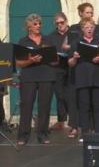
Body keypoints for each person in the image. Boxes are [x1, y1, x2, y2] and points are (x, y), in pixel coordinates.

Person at [16, 14, 56, 145]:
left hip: (46, 75)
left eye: (39, 23)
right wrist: (30, 60)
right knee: (26, 105)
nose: (38, 26)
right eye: (35, 24)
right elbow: (19, 63)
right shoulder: (23, 42)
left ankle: (43, 134)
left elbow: (55, 60)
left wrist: (52, 57)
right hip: (29, 77)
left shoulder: (48, 39)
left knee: (44, 106)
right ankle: (23, 135)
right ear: (29, 26)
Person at [68, 18, 99, 139]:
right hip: (83, 78)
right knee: (84, 106)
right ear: (82, 29)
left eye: (91, 27)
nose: (89, 29)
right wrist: (74, 57)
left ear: (94, 28)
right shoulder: (76, 42)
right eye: (86, 27)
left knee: (98, 105)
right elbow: (70, 63)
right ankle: (85, 133)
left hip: (98, 77)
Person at [47, 12, 70, 132]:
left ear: (66, 21)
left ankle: (74, 121)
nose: (60, 25)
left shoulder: (73, 34)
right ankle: (62, 121)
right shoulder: (51, 36)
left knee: (71, 94)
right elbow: (48, 53)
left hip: (72, 67)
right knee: (60, 95)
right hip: (57, 68)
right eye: (57, 23)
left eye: (62, 22)